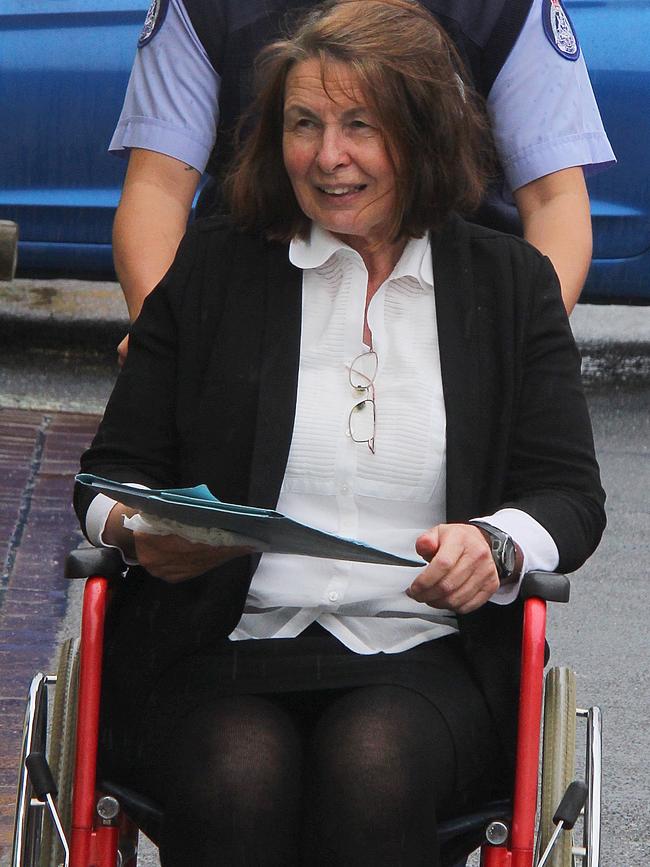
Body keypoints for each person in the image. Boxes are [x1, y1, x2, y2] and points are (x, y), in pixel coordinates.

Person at [75, 2, 606, 864]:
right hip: (224, 643)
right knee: (238, 770)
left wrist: (496, 544)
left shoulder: (508, 286)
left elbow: (569, 496)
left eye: (362, 126)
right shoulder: (216, 266)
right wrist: (139, 530)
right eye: (304, 124)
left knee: (374, 764)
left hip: (427, 657)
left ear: (425, 134)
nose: (328, 157)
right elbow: (105, 478)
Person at [110, 0, 615, 365]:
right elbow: (157, 188)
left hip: (459, 308)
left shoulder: (505, 8)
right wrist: (164, 337)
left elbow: (554, 202)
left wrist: (526, 352)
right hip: (253, 304)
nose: (332, 157)